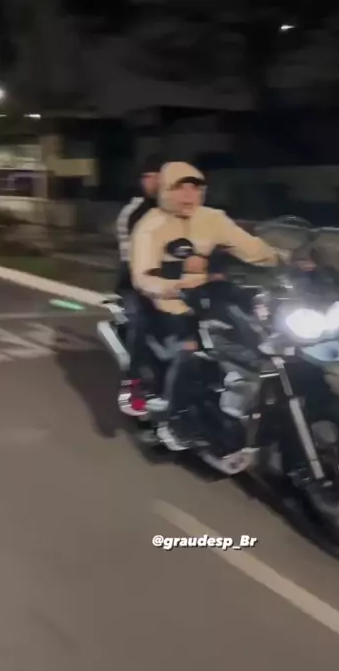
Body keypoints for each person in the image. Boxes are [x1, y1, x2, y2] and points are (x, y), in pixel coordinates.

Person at [130, 161, 280, 471]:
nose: (189, 194)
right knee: (190, 352)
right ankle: (176, 423)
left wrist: (289, 259)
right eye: (180, 187)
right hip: (170, 304)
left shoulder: (212, 218)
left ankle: (241, 407)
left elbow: (253, 249)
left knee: (259, 341)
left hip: (211, 298)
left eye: (195, 187)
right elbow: (143, 276)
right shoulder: (151, 225)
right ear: (166, 190)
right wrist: (172, 287)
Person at [115, 154, 163, 415]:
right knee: (141, 322)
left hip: (171, 279)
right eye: (151, 177)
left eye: (161, 177)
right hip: (135, 282)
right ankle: (135, 383)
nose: (156, 182)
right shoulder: (134, 213)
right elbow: (136, 257)